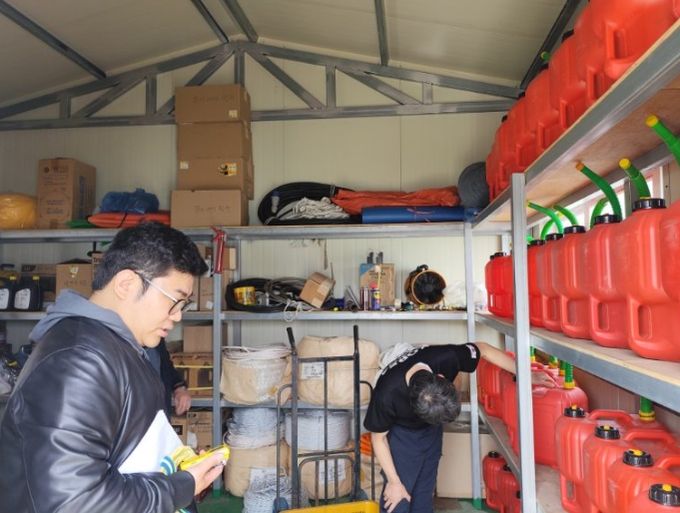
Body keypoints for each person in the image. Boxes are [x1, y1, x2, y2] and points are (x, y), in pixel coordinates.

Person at [0, 222, 225, 513]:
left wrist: (182, 473)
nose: (178, 316)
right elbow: (75, 502)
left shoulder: (121, 348)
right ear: (126, 284)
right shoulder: (79, 360)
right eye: (175, 300)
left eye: (184, 304)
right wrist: (179, 488)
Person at [364, 342, 555, 513]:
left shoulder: (447, 357)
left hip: (431, 432)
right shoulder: (386, 393)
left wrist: (526, 375)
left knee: (423, 495)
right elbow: (378, 438)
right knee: (399, 500)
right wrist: (394, 482)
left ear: (441, 376)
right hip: (404, 438)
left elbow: (484, 349)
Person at [148, 339, 192, 418]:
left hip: (161, 412)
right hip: (138, 418)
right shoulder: (125, 350)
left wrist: (179, 387)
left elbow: (166, 365)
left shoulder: (157, 340)